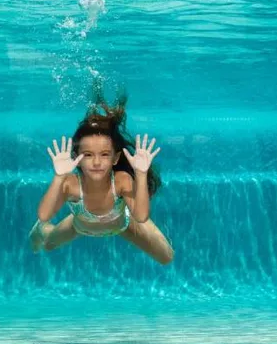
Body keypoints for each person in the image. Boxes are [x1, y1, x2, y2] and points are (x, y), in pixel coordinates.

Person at [29, 95, 173, 265]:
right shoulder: (71, 184)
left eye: (104, 154)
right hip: (79, 227)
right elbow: (44, 215)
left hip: (123, 225)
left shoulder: (121, 180)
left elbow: (141, 216)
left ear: (115, 158)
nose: (97, 162)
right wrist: (59, 177)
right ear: (76, 158)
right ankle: (41, 230)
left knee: (167, 257)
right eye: (88, 155)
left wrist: (141, 174)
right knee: (47, 245)